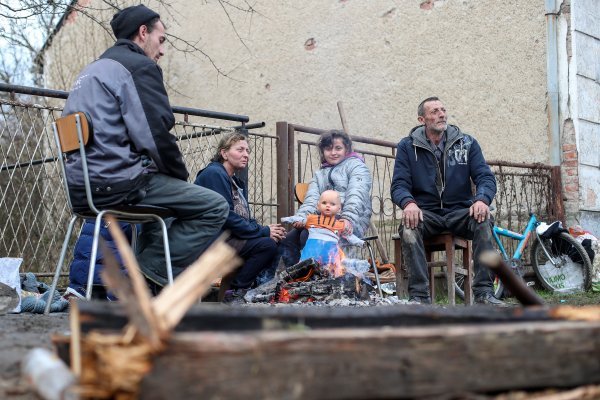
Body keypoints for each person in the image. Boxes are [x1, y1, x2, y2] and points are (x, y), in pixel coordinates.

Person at [61, 5, 228, 288]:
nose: (162, 51)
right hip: (118, 185)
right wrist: (180, 177)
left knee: (160, 204)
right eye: (161, 40)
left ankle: (145, 288)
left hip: (82, 190)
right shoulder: (138, 67)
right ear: (143, 33)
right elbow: (155, 135)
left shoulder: (91, 71)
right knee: (213, 206)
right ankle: (145, 272)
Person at [390, 96, 505, 305]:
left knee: (484, 220)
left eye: (443, 110)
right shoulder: (407, 147)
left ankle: (484, 294)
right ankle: (419, 297)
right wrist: (409, 203)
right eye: (434, 111)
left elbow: (485, 177)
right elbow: (399, 184)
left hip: (460, 211)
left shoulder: (467, 143)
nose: (441, 114)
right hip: (427, 213)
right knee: (408, 227)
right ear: (421, 119)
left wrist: (481, 200)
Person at [194, 133, 286, 297]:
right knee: (267, 245)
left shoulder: (235, 181)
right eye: (240, 150)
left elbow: (243, 218)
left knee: (274, 240)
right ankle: (235, 293)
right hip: (210, 239)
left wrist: (265, 229)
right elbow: (226, 216)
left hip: (229, 237)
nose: (246, 154)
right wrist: (263, 231)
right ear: (224, 153)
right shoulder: (214, 174)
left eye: (248, 151)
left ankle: (258, 287)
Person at [279, 130, 373, 268]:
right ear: (322, 151)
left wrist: (348, 218)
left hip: (350, 220)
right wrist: (302, 217)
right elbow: (312, 199)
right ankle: (297, 278)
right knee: (289, 240)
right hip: (322, 220)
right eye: (328, 149)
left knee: (309, 236)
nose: (333, 153)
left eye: (338, 148)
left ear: (346, 149)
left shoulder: (357, 167)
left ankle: (321, 276)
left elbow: (356, 195)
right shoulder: (319, 174)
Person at [282, 190, 364, 277]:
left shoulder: (340, 224)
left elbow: (349, 236)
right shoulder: (311, 219)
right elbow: (301, 219)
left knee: (333, 270)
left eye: (332, 204)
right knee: (291, 239)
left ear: (339, 209)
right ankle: (297, 276)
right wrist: (288, 219)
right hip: (309, 256)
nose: (328, 206)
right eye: (324, 203)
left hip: (330, 259)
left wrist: (361, 242)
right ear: (318, 206)